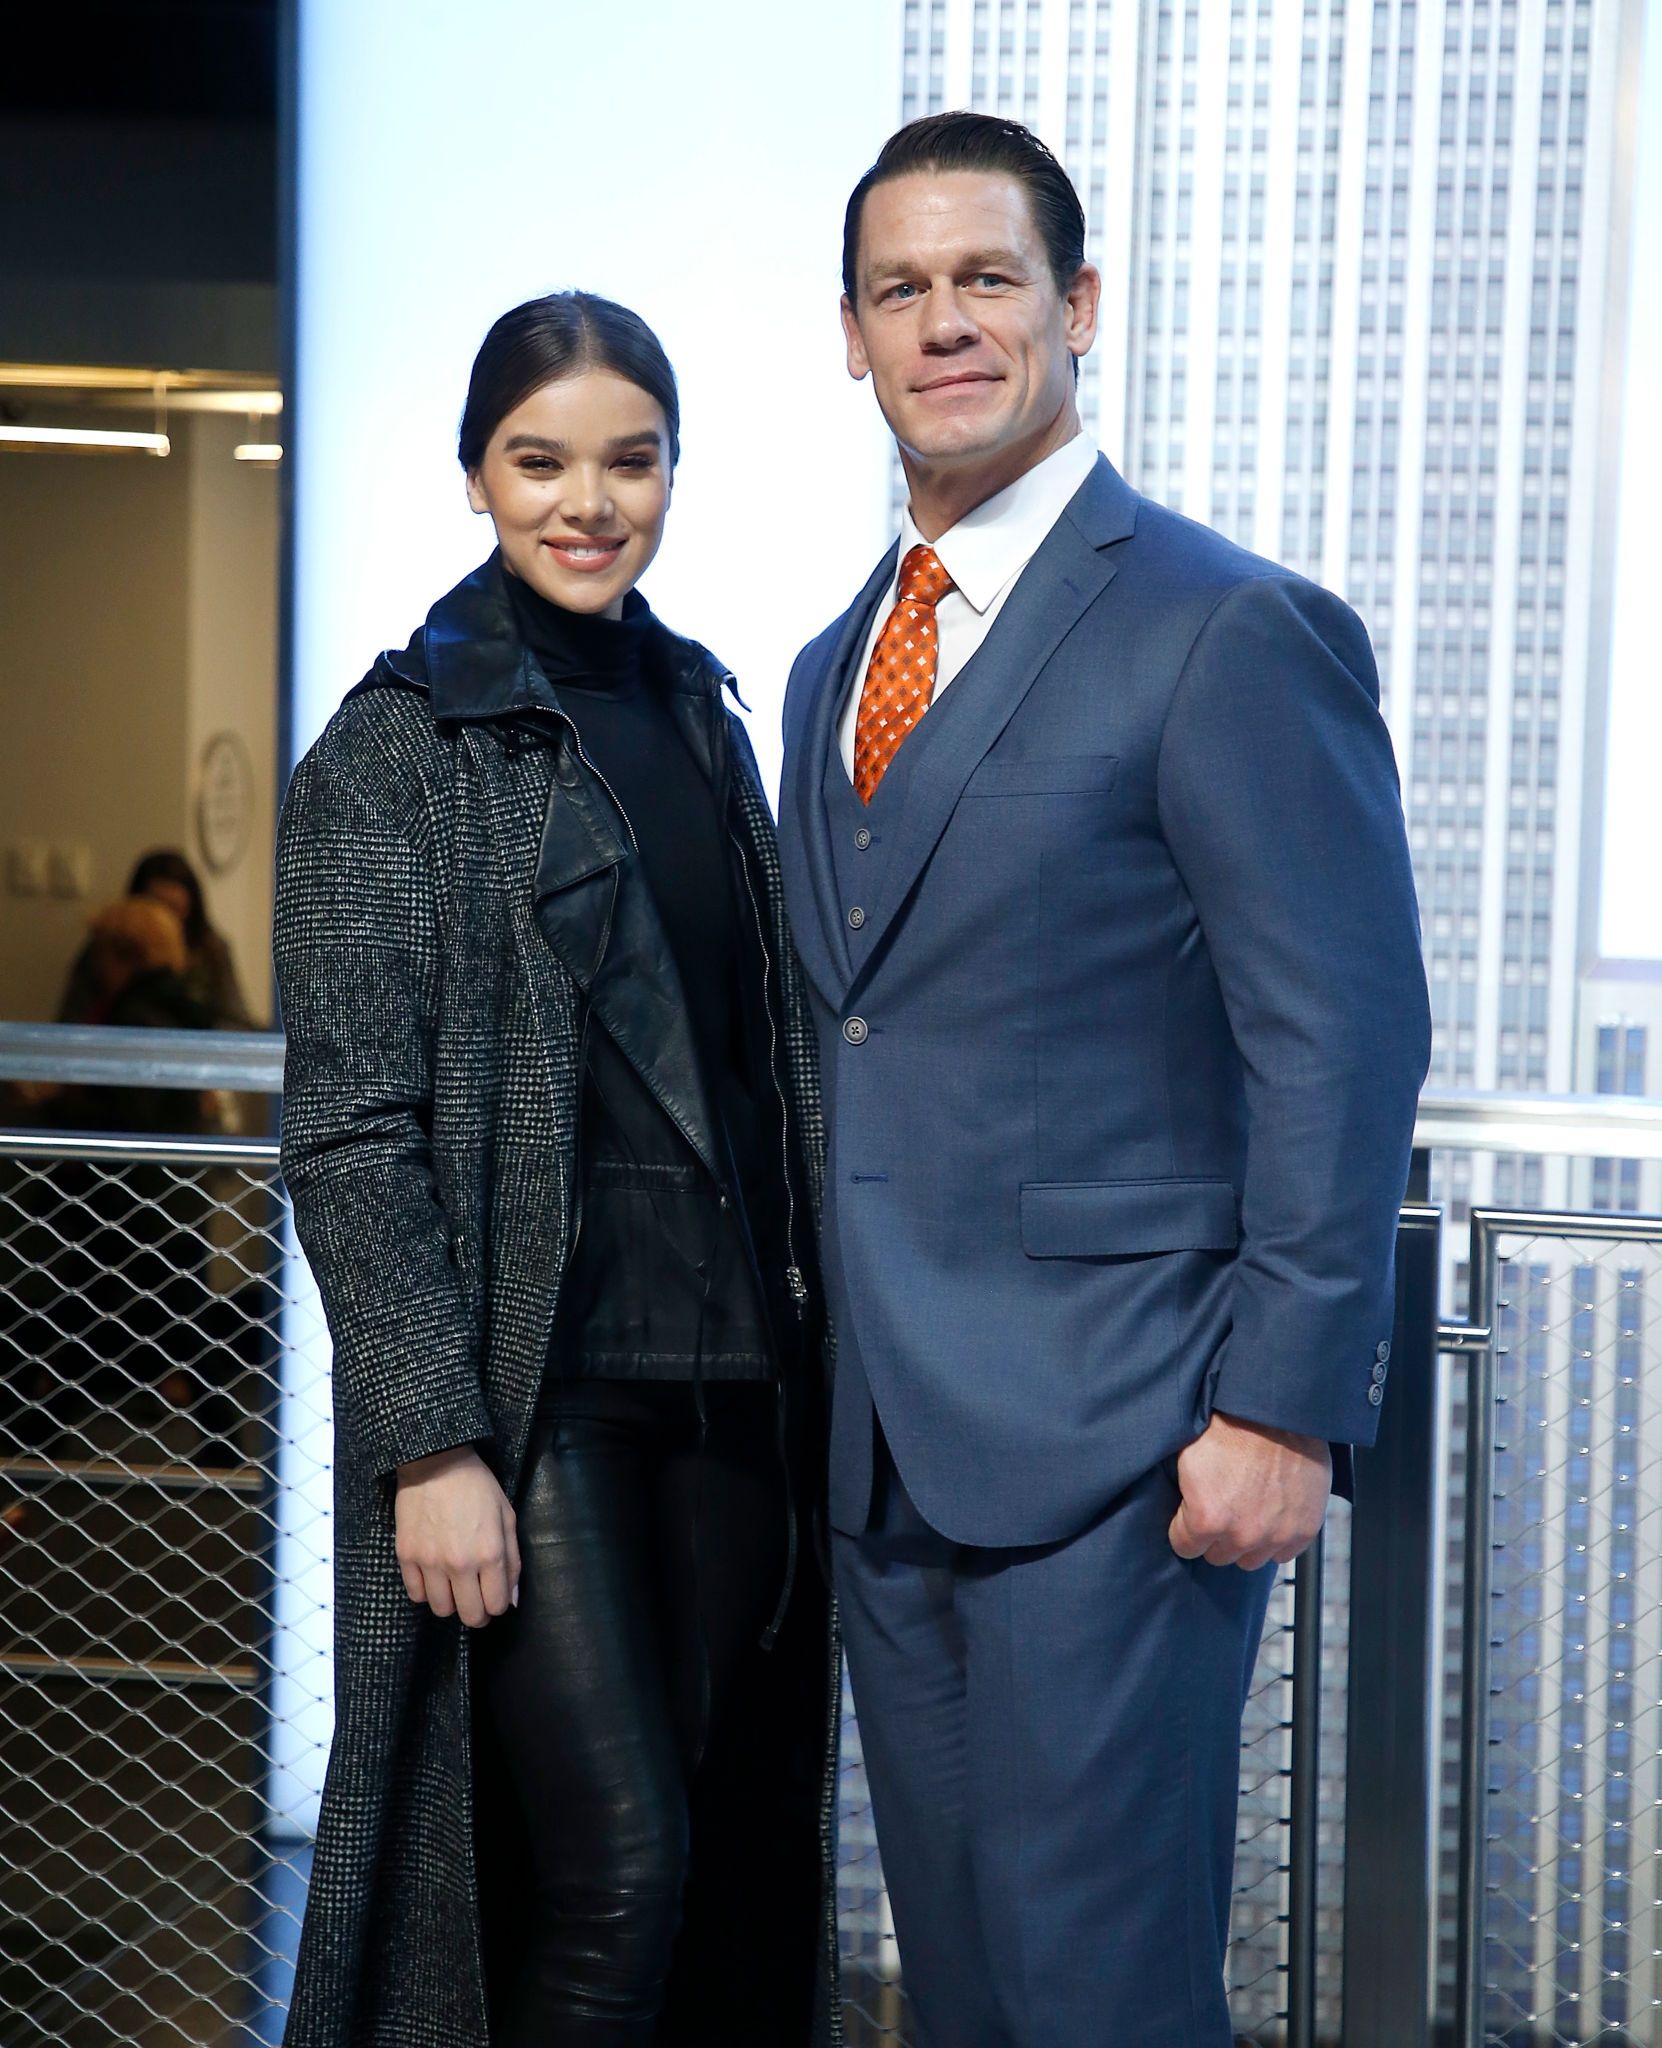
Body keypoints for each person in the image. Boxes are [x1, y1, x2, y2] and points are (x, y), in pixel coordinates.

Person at [775, 112, 1432, 2046]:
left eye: (987, 279)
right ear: (850, 335)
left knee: (1097, 1993)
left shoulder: (1224, 626)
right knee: (960, 1986)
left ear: (1075, 307)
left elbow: (1341, 1029)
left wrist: (1282, 1409)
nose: (944, 322)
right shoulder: (830, 662)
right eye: (901, 288)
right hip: (885, 1450)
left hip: (1131, 1441)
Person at [273, 293, 837, 2048]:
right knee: (616, 1868)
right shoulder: (394, 749)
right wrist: (435, 1436)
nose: (589, 501)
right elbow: (351, 1131)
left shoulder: (705, 718)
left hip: (738, 1385)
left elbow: (769, 1074)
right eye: (541, 460)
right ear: (473, 477)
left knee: (726, 1874)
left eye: (630, 459)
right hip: (541, 1400)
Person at [55, 848, 255, 1029]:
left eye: (175, 909)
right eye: (156, 908)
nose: (165, 920)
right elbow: (70, 1020)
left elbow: (235, 1019)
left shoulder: (210, 948)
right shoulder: (109, 946)